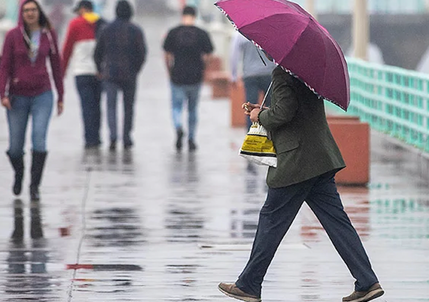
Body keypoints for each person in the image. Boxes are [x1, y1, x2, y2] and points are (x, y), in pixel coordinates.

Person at [218, 66, 384, 302]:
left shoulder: (282, 74)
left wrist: (259, 116)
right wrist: (266, 110)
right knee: (337, 223)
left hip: (296, 162)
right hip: (319, 158)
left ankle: (249, 284)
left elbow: (283, 114)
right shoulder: (309, 71)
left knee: (271, 220)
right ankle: (367, 281)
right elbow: (297, 109)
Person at [0, 0, 64, 201]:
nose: (30, 13)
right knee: (15, 146)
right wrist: (3, 93)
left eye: (33, 10)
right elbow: (4, 66)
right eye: (26, 10)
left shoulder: (48, 34)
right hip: (17, 96)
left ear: (39, 12)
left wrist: (61, 95)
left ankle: (35, 186)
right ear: (22, 13)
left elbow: (56, 65)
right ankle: (19, 173)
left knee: (39, 139)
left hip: (42, 94)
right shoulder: (13, 36)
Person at [93, 0, 146, 151]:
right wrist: (136, 69)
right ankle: (127, 136)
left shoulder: (106, 29)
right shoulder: (136, 30)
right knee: (128, 107)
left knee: (111, 107)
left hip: (110, 74)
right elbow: (142, 53)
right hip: (130, 74)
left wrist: (100, 69)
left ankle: (113, 136)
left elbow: (98, 52)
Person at [162, 6, 214, 151]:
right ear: (195, 16)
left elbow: (167, 54)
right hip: (195, 77)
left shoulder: (173, 33)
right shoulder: (202, 34)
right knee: (192, 109)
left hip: (177, 76)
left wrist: (169, 70)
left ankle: (178, 127)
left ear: (182, 15)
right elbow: (209, 54)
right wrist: (204, 68)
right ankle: (191, 139)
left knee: (176, 107)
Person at [62, 0, 105, 149]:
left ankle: (89, 139)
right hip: (99, 72)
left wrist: (61, 71)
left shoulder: (75, 24)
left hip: (81, 72)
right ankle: (97, 137)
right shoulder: (101, 23)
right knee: (97, 106)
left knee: (87, 107)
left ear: (82, 9)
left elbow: (67, 48)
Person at [230, 32, 275, 130]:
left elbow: (234, 54)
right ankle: (270, 134)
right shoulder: (270, 31)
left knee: (250, 109)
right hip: (269, 73)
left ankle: (251, 134)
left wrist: (233, 75)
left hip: (250, 75)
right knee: (271, 108)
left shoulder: (241, 33)